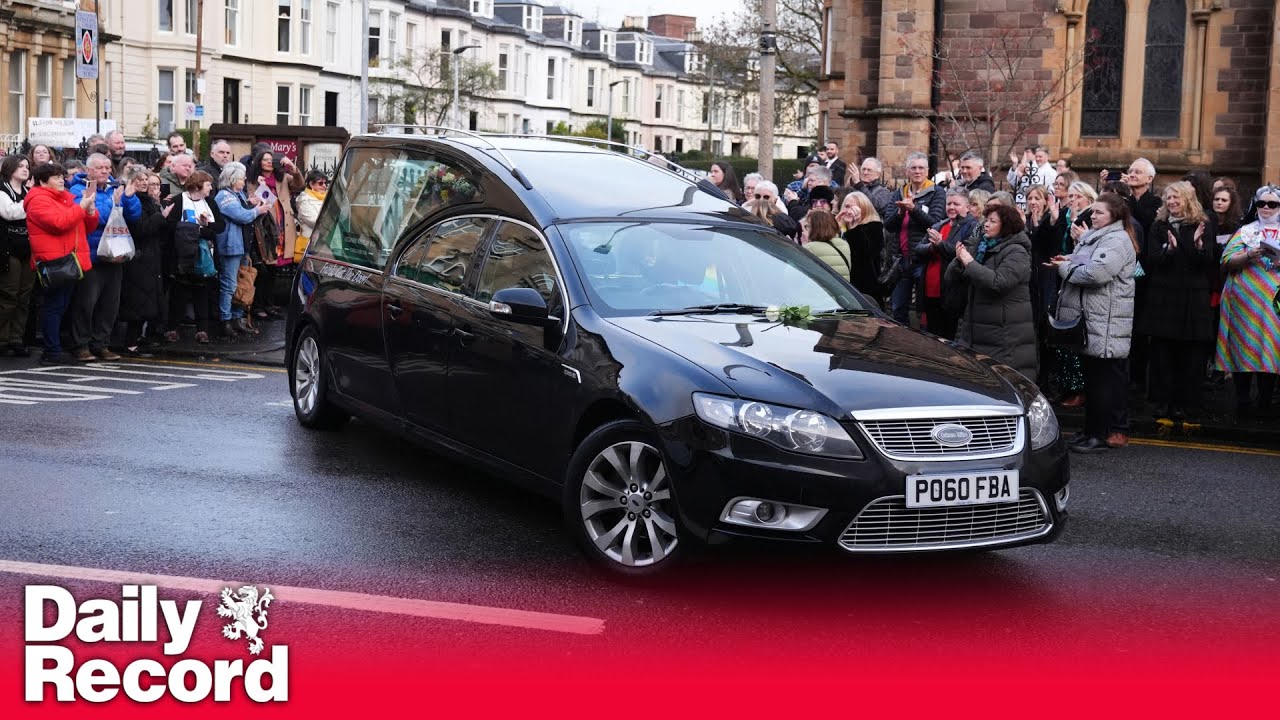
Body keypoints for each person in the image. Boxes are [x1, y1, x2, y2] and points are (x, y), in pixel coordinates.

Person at [1047, 192, 1138, 453]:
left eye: (1099, 212)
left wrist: (1064, 268)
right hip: (1093, 320)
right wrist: (1069, 259)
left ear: (1114, 215)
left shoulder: (1117, 240)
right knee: (1093, 381)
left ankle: (1099, 435)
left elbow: (1097, 273)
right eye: (1093, 211)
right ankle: (1089, 431)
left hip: (1105, 322)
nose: (1093, 215)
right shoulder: (1098, 237)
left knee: (1102, 383)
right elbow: (1089, 260)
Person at [1137, 182, 1214, 422]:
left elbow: (1209, 262)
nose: (1171, 202)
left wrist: (1199, 246)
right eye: (1168, 198)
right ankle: (1162, 402)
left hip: (1192, 299)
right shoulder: (1158, 225)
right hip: (1164, 299)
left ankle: (1187, 403)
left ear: (1188, 200)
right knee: (1162, 354)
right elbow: (1150, 261)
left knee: (1191, 356)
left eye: (1176, 198)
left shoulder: (1202, 224)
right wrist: (1168, 250)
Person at [946, 201, 1037, 380]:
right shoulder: (982, 246)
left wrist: (969, 262)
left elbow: (998, 283)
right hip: (975, 329)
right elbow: (950, 279)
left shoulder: (1017, 252)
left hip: (1003, 334)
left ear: (1006, 226)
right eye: (986, 220)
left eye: (993, 221)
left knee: (1002, 381)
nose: (986, 224)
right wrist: (959, 260)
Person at [67, 153, 142, 361]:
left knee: (109, 305)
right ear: (88, 170)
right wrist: (114, 202)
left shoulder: (113, 187)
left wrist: (129, 198)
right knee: (86, 304)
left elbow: (133, 216)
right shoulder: (79, 190)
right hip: (91, 255)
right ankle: (81, 345)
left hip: (114, 254)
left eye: (108, 168)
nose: (105, 171)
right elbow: (94, 217)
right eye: (100, 167)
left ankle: (101, 344)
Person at [1214, 186, 1280, 418]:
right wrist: (1249, 255)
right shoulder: (1246, 231)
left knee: (1270, 349)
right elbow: (1226, 261)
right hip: (1243, 303)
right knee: (1242, 348)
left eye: (1272, 204)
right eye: (1262, 203)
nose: (1266, 208)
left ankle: (1265, 401)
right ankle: (1242, 400)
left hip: (1274, 304)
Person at [23, 163, 97, 365]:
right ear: (42, 181)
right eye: (55, 177)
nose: (61, 180)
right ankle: (51, 351)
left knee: (62, 306)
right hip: (55, 263)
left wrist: (90, 211)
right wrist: (81, 208)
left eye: (62, 177)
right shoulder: (38, 200)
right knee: (54, 307)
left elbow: (86, 227)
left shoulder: (65, 198)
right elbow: (59, 223)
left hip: (70, 260)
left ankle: (56, 347)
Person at [882, 151, 946, 324]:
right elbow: (888, 224)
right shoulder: (898, 193)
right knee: (898, 307)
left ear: (927, 171)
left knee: (923, 309)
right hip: (900, 259)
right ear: (907, 171)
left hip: (923, 258)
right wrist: (900, 212)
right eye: (913, 168)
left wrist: (913, 209)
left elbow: (935, 223)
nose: (917, 171)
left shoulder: (937, 192)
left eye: (921, 168)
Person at [163, 171, 225, 344]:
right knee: (179, 292)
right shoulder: (179, 200)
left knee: (202, 291)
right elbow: (172, 225)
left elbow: (220, 226)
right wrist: (198, 230)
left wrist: (207, 225)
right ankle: (172, 328)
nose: (211, 188)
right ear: (198, 186)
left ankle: (202, 330)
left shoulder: (210, 202)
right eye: (208, 185)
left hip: (206, 255)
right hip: (183, 254)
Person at [215, 162, 271, 337]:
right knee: (229, 284)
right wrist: (257, 210)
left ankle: (237, 318)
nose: (245, 179)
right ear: (232, 179)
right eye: (241, 177)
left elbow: (243, 210)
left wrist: (251, 203)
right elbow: (241, 215)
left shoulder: (237, 194)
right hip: (231, 246)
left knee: (243, 283)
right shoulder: (224, 196)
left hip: (241, 245)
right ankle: (225, 320)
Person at [119, 170, 170, 353]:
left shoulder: (149, 201)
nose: (144, 182)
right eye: (139, 179)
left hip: (150, 257)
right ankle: (130, 342)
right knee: (138, 301)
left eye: (146, 179)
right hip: (138, 257)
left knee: (148, 300)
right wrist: (161, 216)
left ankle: (140, 338)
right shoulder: (134, 202)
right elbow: (141, 228)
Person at [915, 187, 976, 340]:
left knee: (948, 337)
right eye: (949, 204)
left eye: (956, 204)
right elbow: (918, 248)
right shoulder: (939, 225)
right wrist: (931, 247)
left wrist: (940, 244)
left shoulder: (972, 226)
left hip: (951, 292)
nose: (951, 207)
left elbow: (964, 253)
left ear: (967, 207)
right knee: (932, 336)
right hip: (930, 290)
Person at [0, 154, 34, 356]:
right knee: (8, 295)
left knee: (24, 296)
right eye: (20, 165)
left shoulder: (28, 191)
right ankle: (2, 339)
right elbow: (10, 213)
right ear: (10, 167)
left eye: (27, 166)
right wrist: (32, 201)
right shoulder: (2, 189)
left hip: (27, 249)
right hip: (8, 249)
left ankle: (16, 338)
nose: (25, 169)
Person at [836, 191, 885, 306]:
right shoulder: (841, 226)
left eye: (854, 208)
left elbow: (866, 253)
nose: (849, 211)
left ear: (864, 209)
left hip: (865, 286)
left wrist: (855, 227)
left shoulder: (874, 226)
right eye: (847, 206)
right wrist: (834, 227)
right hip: (843, 282)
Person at [802, 209, 851, 281]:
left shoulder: (809, 248)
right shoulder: (844, 244)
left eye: (808, 226)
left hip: (821, 288)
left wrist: (802, 246)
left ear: (815, 228)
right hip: (842, 287)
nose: (806, 229)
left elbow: (799, 274)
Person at [295, 170, 329, 262]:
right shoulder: (304, 199)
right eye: (320, 183)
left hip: (326, 241)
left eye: (325, 183)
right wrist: (331, 219)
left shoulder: (327, 197)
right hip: (312, 243)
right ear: (311, 184)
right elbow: (313, 221)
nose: (324, 186)